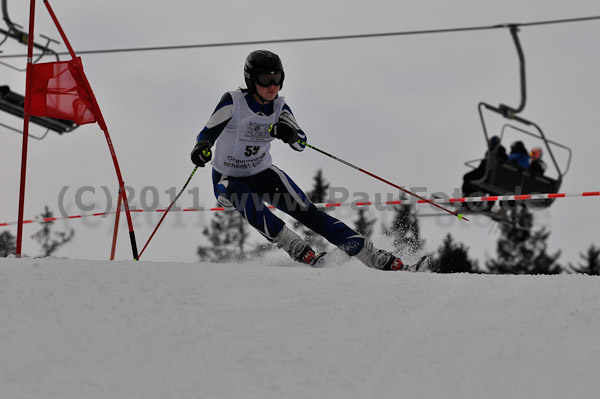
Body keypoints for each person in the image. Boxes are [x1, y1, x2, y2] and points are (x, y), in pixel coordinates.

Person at [190, 50, 419, 271]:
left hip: (262, 174)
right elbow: (207, 133)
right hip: (227, 179)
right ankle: (294, 245)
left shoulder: (279, 107)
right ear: (251, 80)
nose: (272, 86)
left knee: (309, 213)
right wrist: (202, 147)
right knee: (243, 197)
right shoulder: (234, 101)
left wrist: (289, 134)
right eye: (265, 79)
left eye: (277, 79)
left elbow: (300, 142)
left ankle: (373, 255)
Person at [461, 135, 507, 203]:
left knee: (467, 180)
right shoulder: (499, 154)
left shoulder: (494, 153)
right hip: (492, 178)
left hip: (487, 177)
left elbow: (482, 169)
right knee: (469, 180)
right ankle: (475, 203)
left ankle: (468, 203)